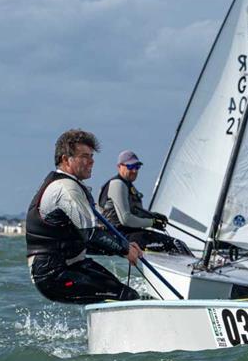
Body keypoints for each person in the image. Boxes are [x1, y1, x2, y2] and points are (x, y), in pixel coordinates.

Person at [26, 129, 143, 304]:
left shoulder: (71, 185)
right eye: (84, 156)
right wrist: (125, 249)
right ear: (66, 159)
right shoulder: (66, 189)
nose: (91, 162)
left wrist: (123, 245)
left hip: (72, 265)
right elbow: (91, 235)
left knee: (123, 293)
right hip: (52, 273)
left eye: (91, 156)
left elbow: (85, 237)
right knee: (125, 297)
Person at [98, 150, 190, 255]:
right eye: (130, 167)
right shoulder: (117, 184)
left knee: (178, 245)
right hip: (118, 236)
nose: (134, 171)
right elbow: (126, 219)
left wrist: (153, 216)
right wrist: (151, 222)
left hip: (129, 234)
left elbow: (136, 212)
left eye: (137, 167)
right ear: (119, 166)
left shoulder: (128, 186)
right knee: (176, 245)